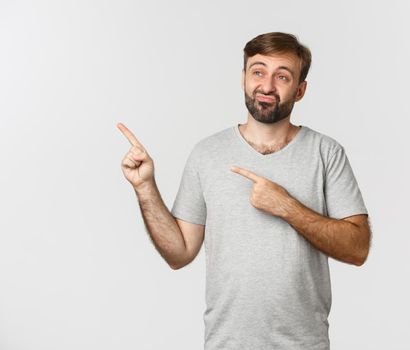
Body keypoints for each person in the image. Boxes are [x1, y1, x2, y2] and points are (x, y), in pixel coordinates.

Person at [118, 31, 372, 350]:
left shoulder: (326, 153)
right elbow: (179, 253)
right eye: (258, 71)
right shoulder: (207, 154)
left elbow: (357, 248)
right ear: (243, 78)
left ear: (301, 90)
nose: (267, 86)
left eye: (282, 76)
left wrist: (287, 207)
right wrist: (145, 187)